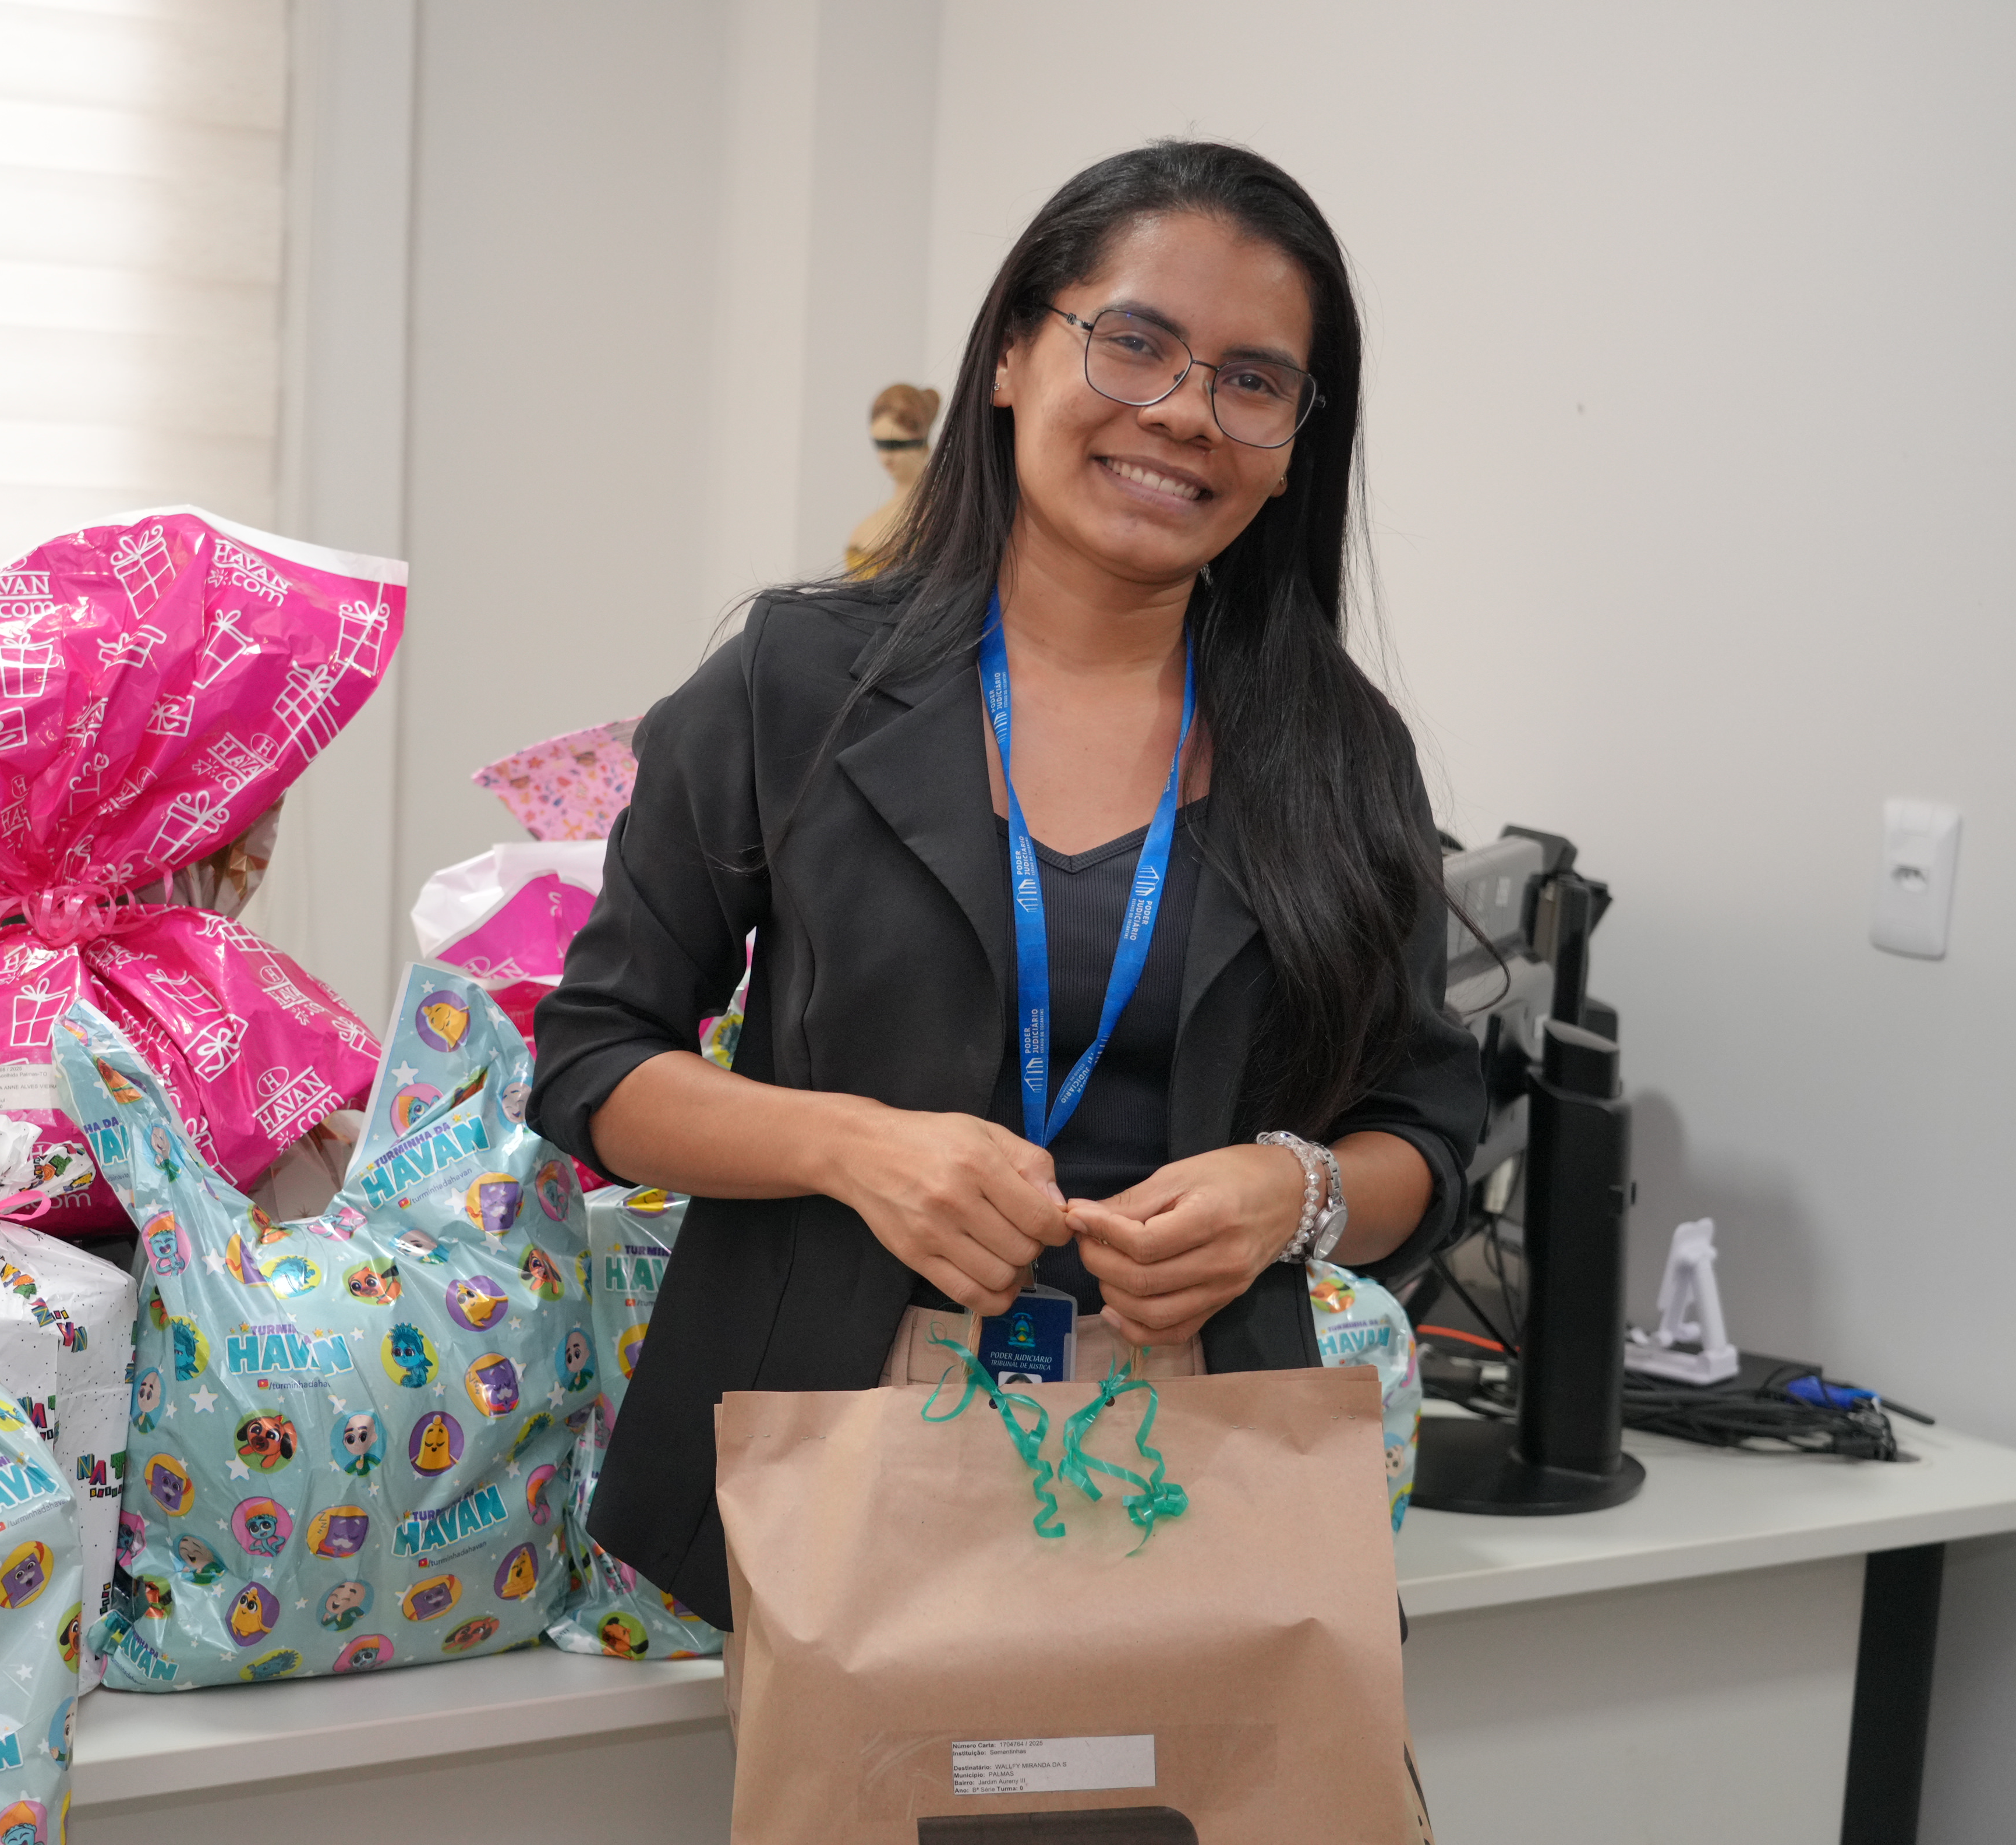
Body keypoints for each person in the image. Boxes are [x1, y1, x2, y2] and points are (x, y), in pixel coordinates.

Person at [530, 137, 1484, 1635]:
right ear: (1010, 354)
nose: (1180, 412)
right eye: (1133, 342)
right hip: (833, 1457)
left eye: (1250, 380)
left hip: (1197, 1458)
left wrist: (1282, 1191)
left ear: (1297, 438)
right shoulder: (797, 680)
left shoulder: (1339, 750)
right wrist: (854, 1148)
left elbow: (1422, 1131)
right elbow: (594, 1060)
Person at [845, 382, 941, 576]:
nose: (885, 457)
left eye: (896, 444)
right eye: (880, 445)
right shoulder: (867, 526)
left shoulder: (939, 514)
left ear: (923, 444)